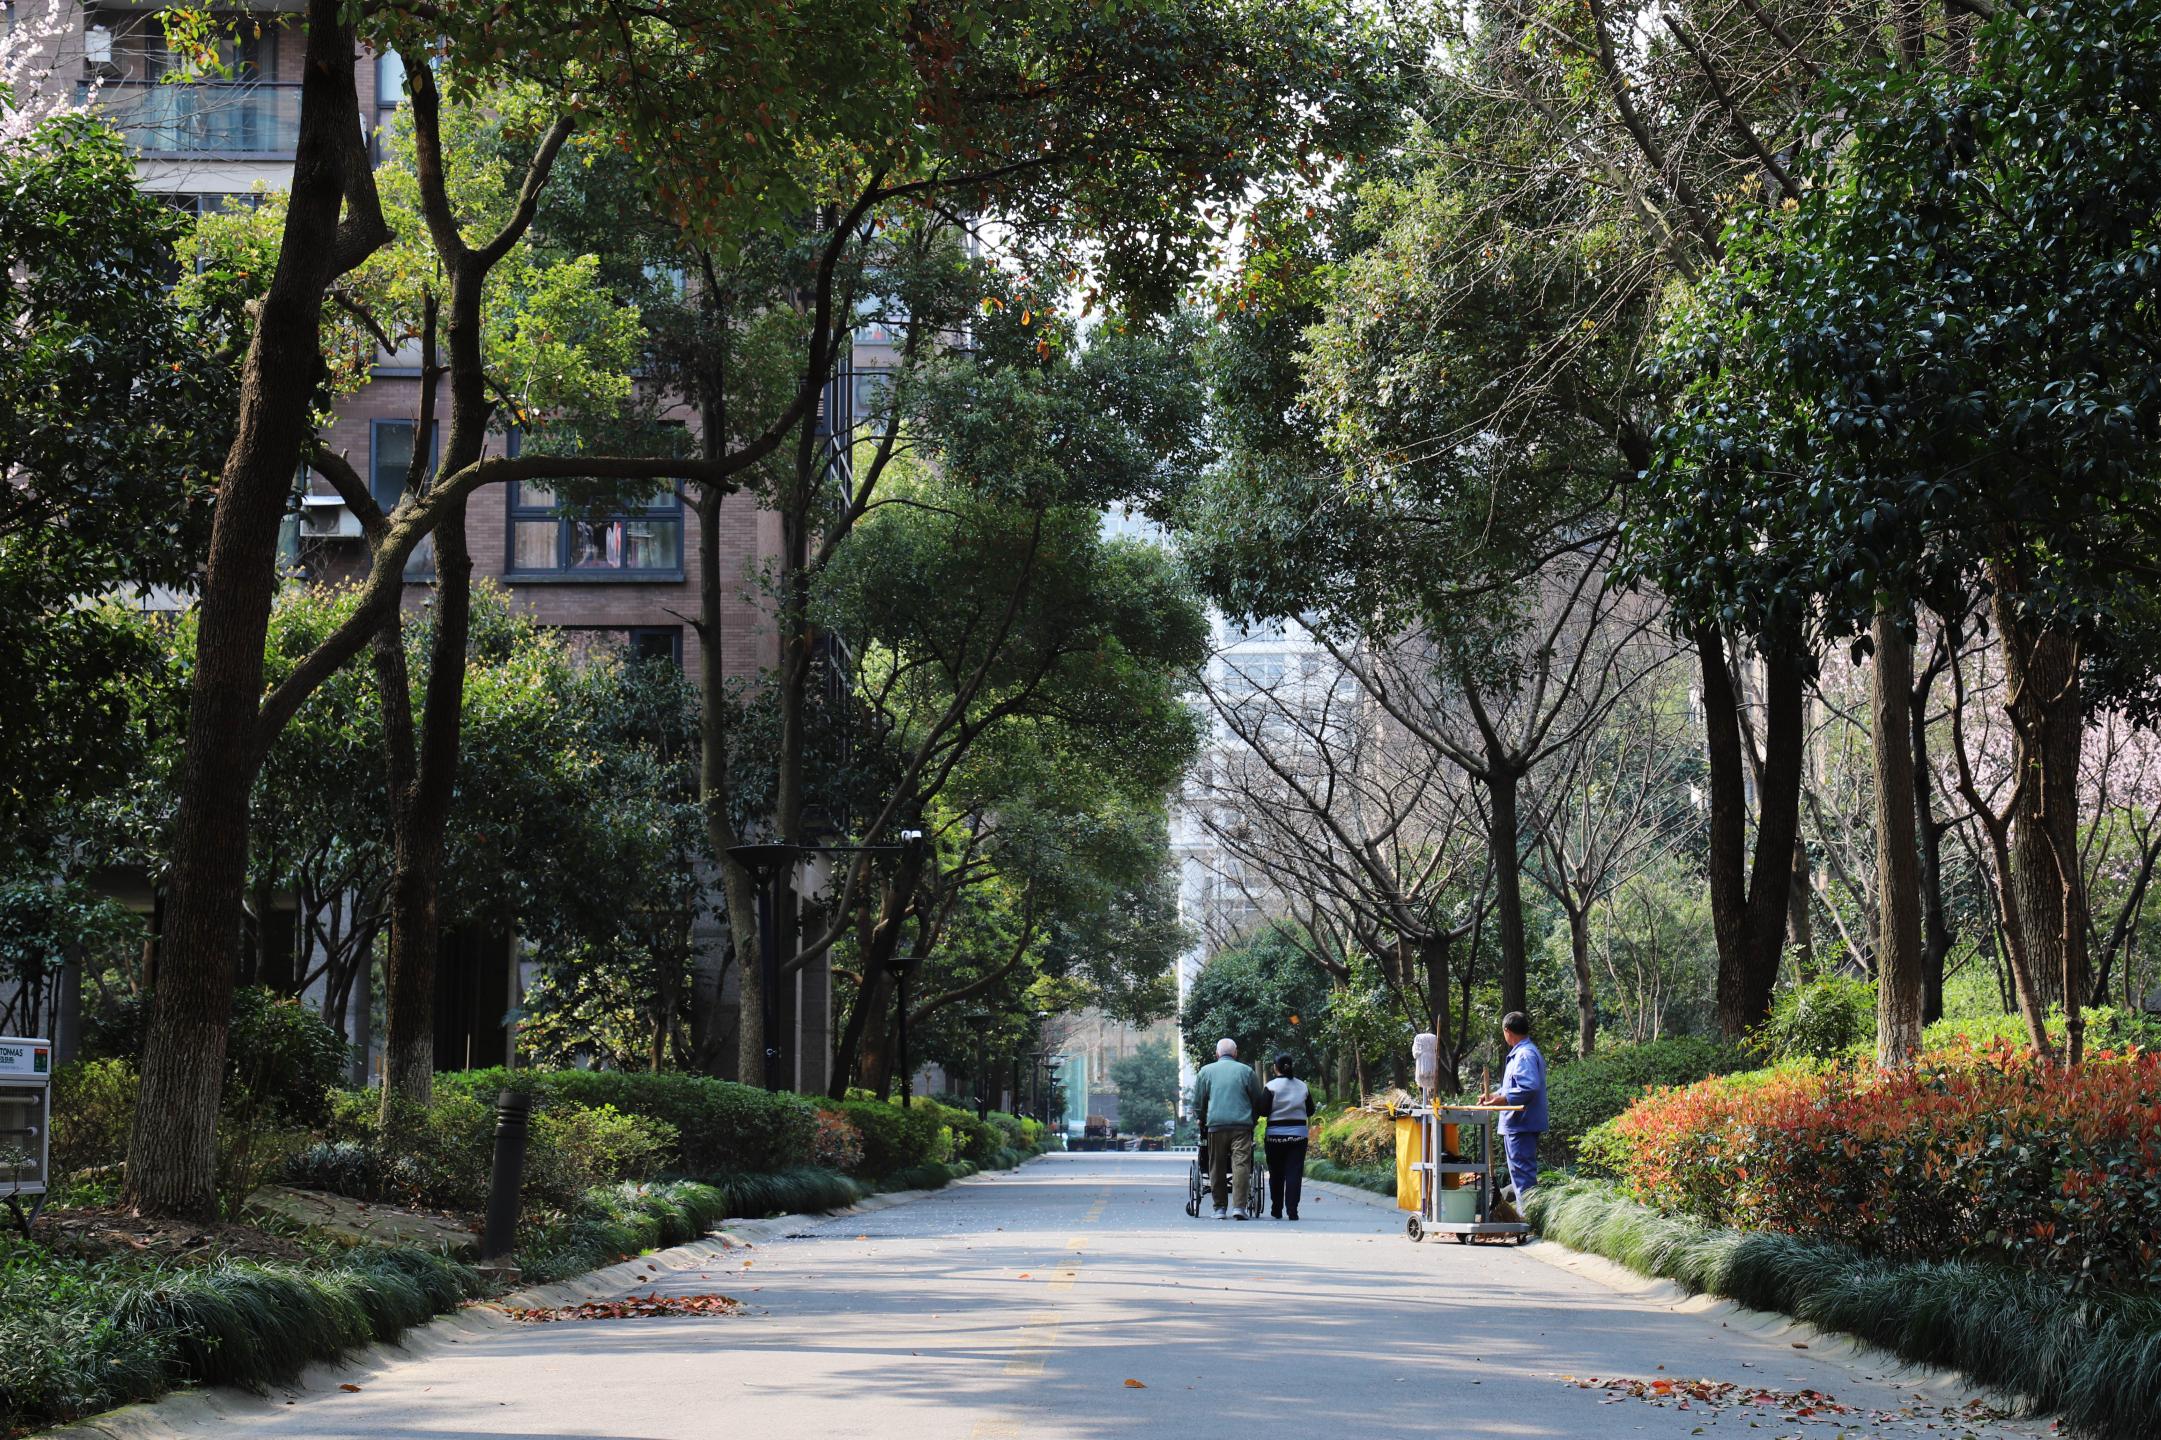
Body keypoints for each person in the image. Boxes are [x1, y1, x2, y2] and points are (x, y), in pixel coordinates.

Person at [1192, 1037, 1268, 1220]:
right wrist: (1254, 1118)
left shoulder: (1205, 1071)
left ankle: (1219, 1208)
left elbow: (1199, 1103)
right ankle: (1239, 1207)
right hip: (1241, 1126)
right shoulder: (1246, 1072)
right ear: (1236, 1053)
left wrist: (1201, 1119)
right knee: (1241, 1164)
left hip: (1216, 1125)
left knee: (1216, 1165)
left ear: (1217, 1054)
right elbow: (1257, 1101)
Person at [1480, 1011, 1547, 1201]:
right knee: (1520, 1175)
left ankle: (1527, 1222)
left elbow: (1528, 1087)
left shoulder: (1524, 1054)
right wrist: (1493, 1096)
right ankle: (1525, 1220)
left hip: (1521, 1124)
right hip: (1519, 1124)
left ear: (1507, 1031)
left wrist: (1503, 1099)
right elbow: (1513, 1086)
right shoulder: (1522, 1053)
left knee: (1523, 1177)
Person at [1263, 1054, 1313, 1221]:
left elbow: (1263, 1110)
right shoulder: (1302, 1086)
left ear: (1275, 1068)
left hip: (1275, 1137)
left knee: (1276, 1173)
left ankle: (1276, 1209)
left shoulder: (1271, 1086)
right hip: (1298, 1137)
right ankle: (1293, 1211)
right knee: (1294, 1173)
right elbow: (1310, 1110)